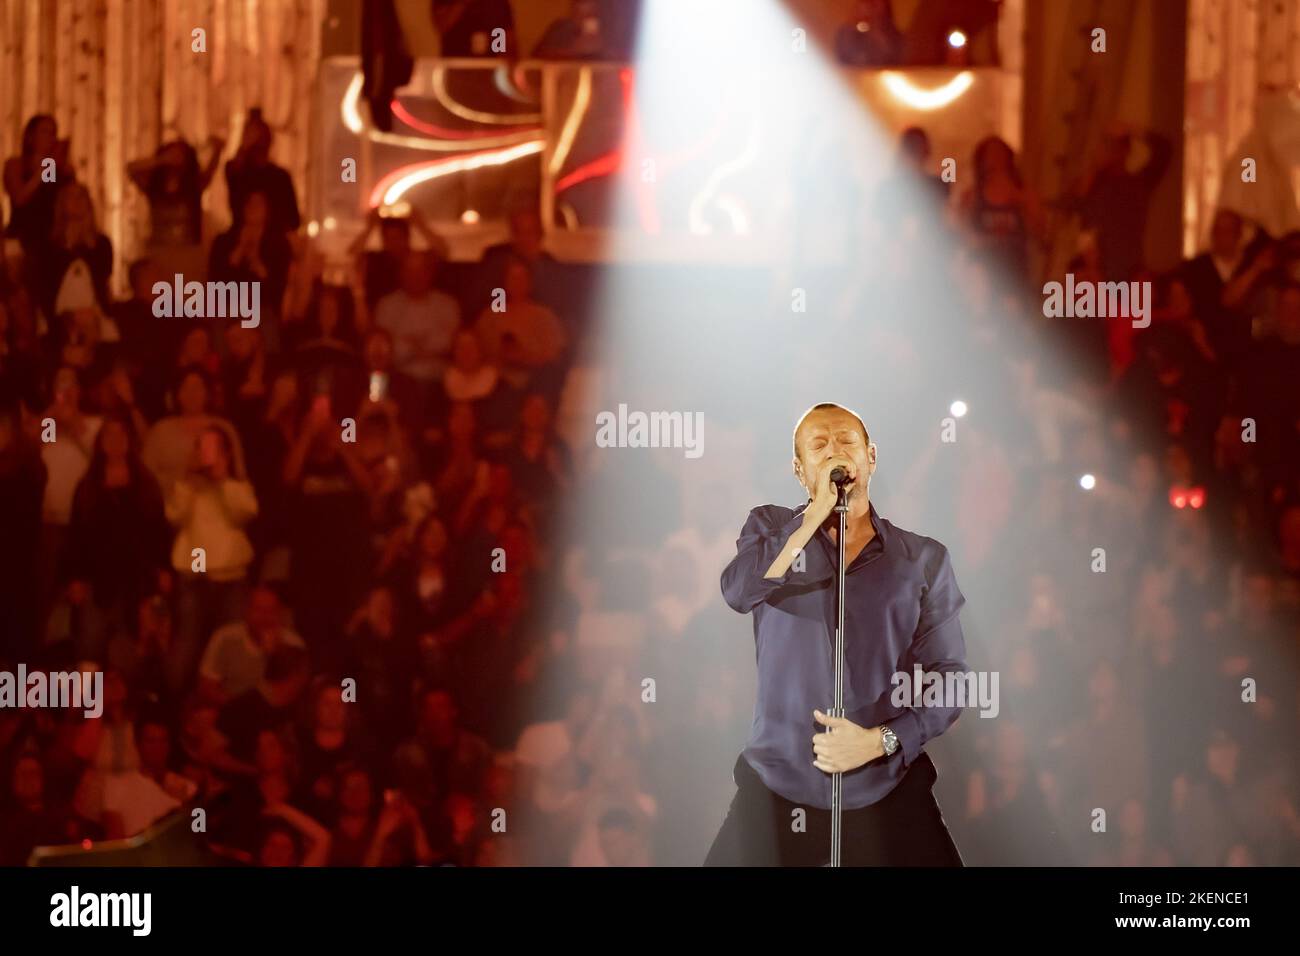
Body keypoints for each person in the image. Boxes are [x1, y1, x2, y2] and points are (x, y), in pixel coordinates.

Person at [705, 402, 967, 866]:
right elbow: (737, 589)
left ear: (871, 456)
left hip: (883, 783)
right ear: (799, 469)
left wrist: (881, 739)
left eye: (846, 441)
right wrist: (813, 516)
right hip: (778, 784)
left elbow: (952, 679)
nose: (834, 453)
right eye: (818, 446)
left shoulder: (922, 559)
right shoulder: (769, 529)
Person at [1066, 123, 1172, 281]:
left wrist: (1131, 129)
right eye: (1107, 145)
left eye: (1115, 146)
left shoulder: (1139, 183)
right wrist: (1094, 167)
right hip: (1096, 276)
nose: (1111, 151)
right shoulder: (1093, 185)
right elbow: (1073, 203)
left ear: (1126, 150)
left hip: (1131, 275)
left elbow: (1164, 150)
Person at [3, 115, 72, 256]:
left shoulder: (55, 169)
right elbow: (20, 198)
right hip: (20, 239)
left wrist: (65, 171)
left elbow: (55, 201)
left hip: (49, 242)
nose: (50, 138)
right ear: (30, 137)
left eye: (53, 133)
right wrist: (47, 166)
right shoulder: (16, 164)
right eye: (45, 132)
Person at [224, 109, 300, 237]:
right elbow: (234, 169)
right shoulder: (238, 172)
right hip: (241, 237)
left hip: (273, 240)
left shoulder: (280, 177)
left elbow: (293, 220)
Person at [834, 0, 904, 67]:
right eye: (867, 1)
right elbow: (844, 59)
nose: (870, 7)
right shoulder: (848, 32)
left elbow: (894, 60)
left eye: (873, 3)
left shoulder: (894, 37)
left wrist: (876, 30)